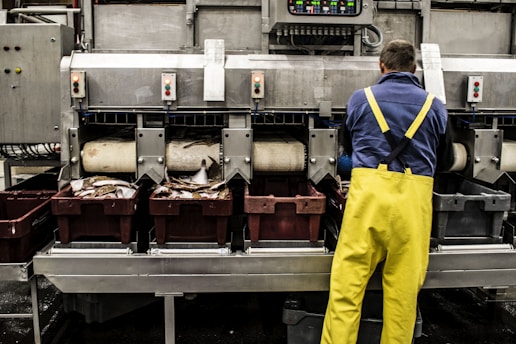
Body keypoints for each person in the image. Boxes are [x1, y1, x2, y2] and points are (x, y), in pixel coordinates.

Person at [321, 39, 454, 344]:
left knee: (346, 291)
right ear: (414, 68)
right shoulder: (435, 106)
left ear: (381, 66)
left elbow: (349, 149)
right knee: (402, 298)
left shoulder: (360, 99)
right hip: (412, 208)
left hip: (368, 202)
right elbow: (445, 161)